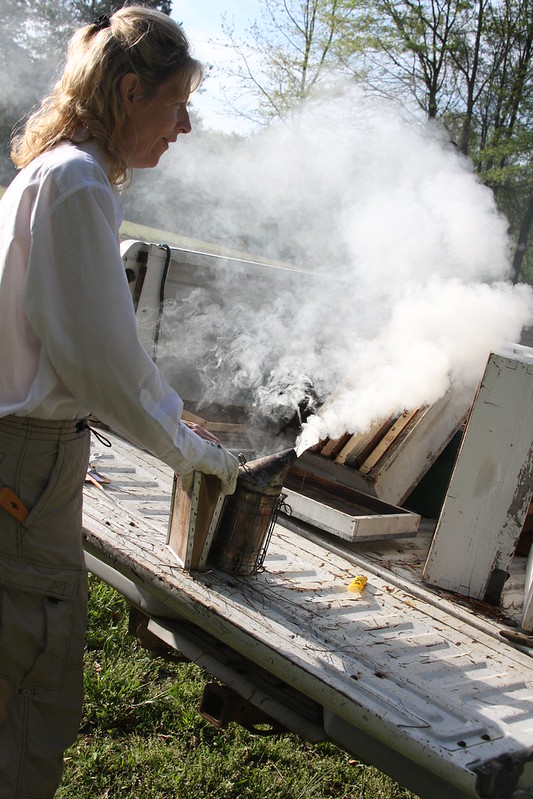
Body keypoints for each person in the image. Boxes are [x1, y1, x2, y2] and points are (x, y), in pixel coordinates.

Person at [0, 7, 239, 798]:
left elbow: (90, 349)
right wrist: (193, 450)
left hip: (33, 462)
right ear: (130, 91)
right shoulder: (73, 181)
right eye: (176, 104)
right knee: (31, 685)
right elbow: (101, 361)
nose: (186, 126)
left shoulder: (62, 172)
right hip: (25, 467)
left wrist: (171, 413)